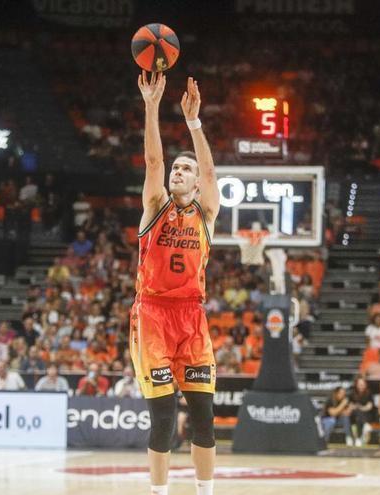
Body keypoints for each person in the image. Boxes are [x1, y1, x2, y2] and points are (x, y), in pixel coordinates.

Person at [131, 71, 220, 495]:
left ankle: (206, 491)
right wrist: (152, 105)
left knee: (203, 414)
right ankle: (159, 492)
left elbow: (210, 168)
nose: (180, 172)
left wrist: (194, 122)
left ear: (197, 180)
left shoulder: (205, 213)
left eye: (187, 168)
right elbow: (152, 162)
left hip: (192, 317)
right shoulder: (154, 206)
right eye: (177, 167)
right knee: (163, 415)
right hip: (152, 315)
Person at [348, 377, 376, 447]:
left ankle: (358, 438)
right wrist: (356, 407)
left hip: (366, 414)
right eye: (360, 384)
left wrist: (360, 407)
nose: (361, 386)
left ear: (366, 385)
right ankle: (365, 426)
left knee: (359, 415)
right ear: (356, 385)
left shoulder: (369, 393)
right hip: (354, 415)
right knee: (357, 415)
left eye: (363, 384)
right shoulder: (352, 393)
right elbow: (350, 406)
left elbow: (369, 406)